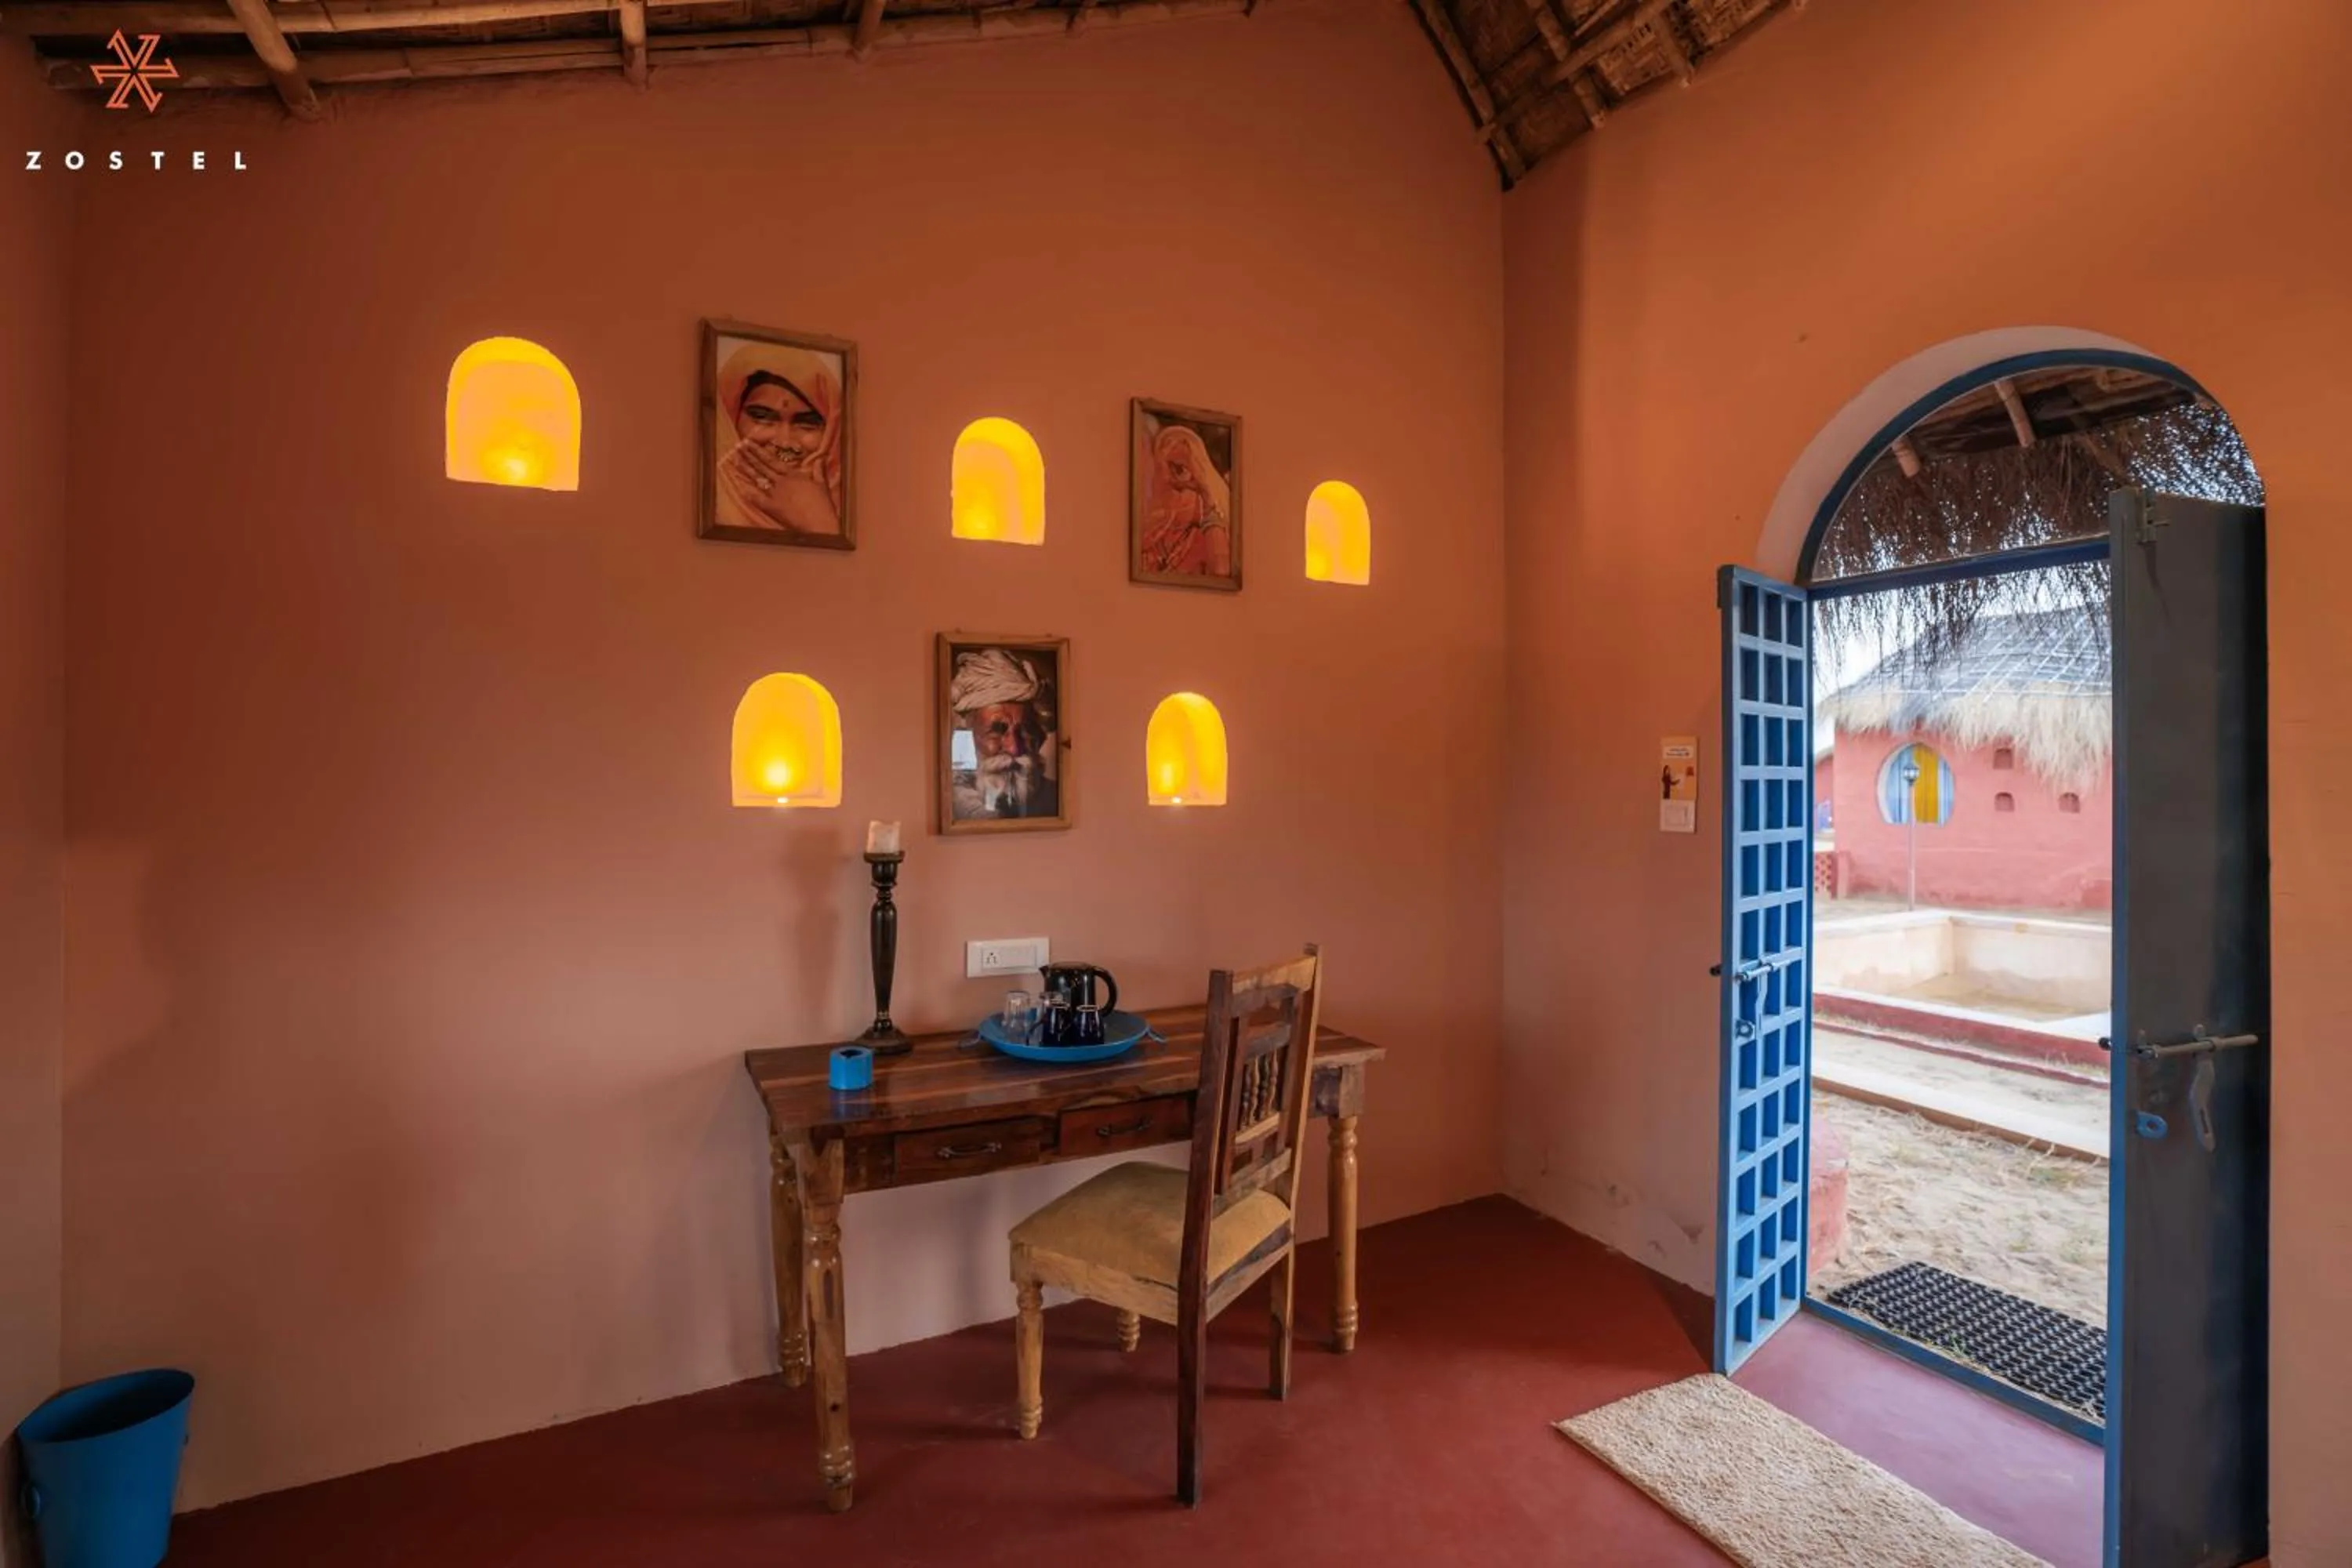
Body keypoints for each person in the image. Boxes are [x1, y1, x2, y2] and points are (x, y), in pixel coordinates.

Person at [713, 339, 845, 538]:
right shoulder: (709, 499)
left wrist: (820, 522)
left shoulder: (854, 508)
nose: (785, 443)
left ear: (831, 432)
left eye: (807, 424)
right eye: (762, 418)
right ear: (730, 417)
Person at [949, 648, 1060, 819]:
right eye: (996, 732)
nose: (1015, 748)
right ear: (969, 734)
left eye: (1024, 730)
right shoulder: (954, 805)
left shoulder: (1054, 799)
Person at [1139, 423, 1232, 577]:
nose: (1169, 479)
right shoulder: (1151, 535)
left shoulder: (1202, 536)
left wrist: (1206, 493)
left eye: (1180, 470)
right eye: (1164, 467)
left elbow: (1221, 573)